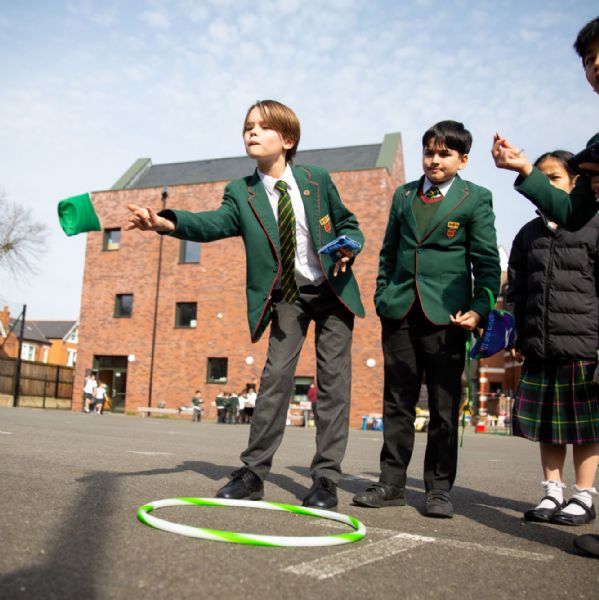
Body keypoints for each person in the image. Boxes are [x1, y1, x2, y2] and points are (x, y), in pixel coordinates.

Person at [126, 100, 364, 509]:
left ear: (287, 139)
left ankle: (325, 479)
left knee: (333, 385)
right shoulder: (241, 192)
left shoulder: (317, 179)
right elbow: (213, 223)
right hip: (288, 295)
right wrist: (167, 222)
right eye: (247, 126)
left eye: (262, 126)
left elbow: (348, 222)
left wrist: (350, 246)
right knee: (275, 379)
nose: (252, 132)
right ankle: (253, 473)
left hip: (332, 291)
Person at [352, 120, 500, 518]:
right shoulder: (403, 195)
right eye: (429, 152)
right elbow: (388, 252)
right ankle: (391, 483)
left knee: (444, 406)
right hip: (399, 311)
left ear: (462, 160)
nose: (435, 160)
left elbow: (487, 263)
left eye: (445, 154)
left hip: (448, 317)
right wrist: (382, 296)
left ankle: (438, 489)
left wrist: (480, 308)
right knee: (397, 401)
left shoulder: (475, 199)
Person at [507, 150, 599, 528]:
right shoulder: (527, 234)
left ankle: (584, 496)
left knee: (586, 429)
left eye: (555, 178)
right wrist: (518, 332)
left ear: (575, 184)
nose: (546, 185)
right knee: (549, 426)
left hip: (584, 347)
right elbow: (516, 290)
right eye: (540, 178)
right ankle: (552, 491)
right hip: (540, 347)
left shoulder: (593, 225)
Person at [492, 16, 599, 232]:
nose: (596, 64)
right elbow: (571, 214)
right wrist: (526, 169)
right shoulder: (595, 149)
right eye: (589, 59)